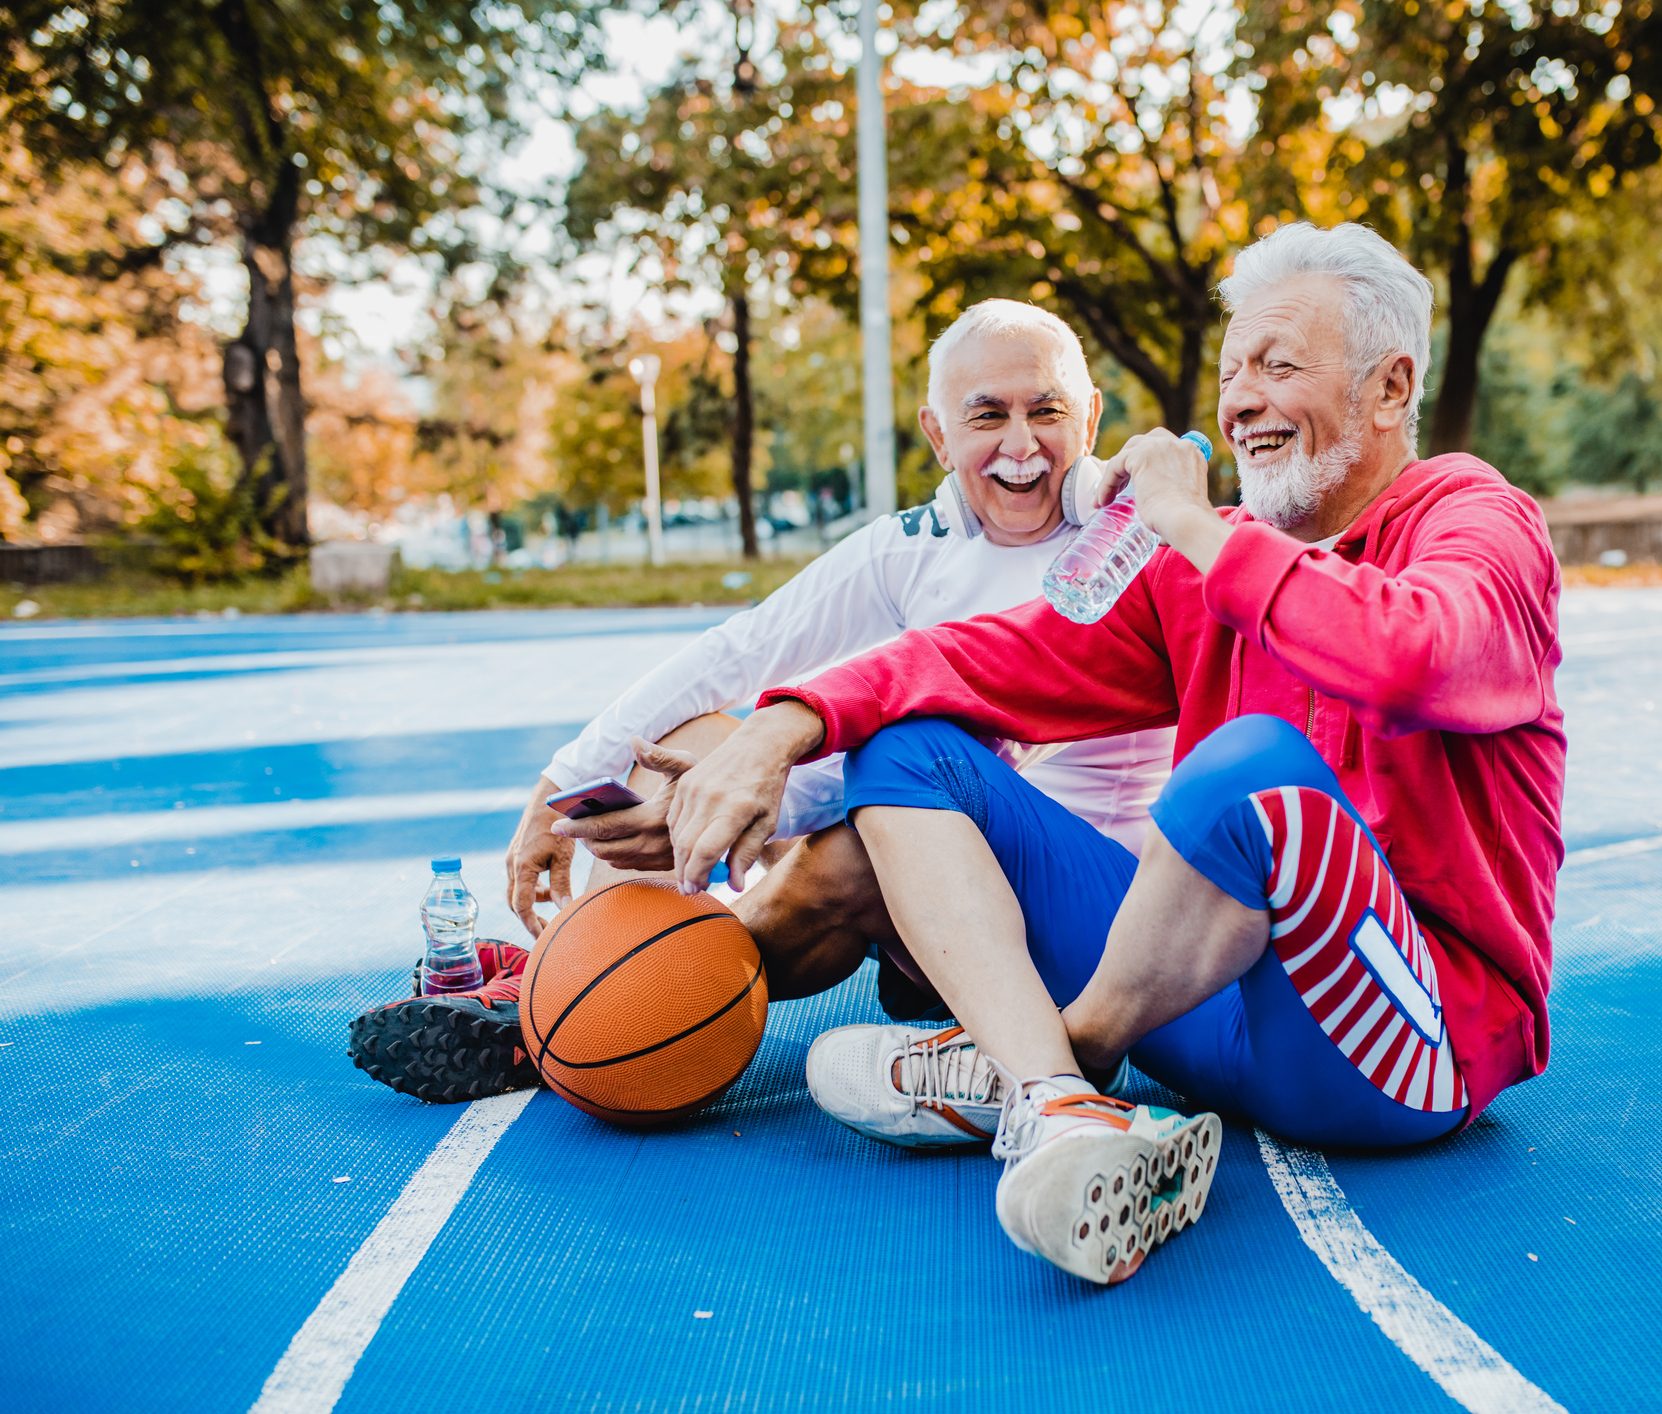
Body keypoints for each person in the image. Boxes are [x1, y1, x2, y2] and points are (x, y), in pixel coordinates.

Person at [649, 222, 1567, 1284]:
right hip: (1201, 1019)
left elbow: (1416, 654)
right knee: (908, 749)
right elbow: (978, 659)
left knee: (1247, 769)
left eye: (1278, 365)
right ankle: (1059, 1102)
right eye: (1232, 372)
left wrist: (1187, 519)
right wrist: (787, 723)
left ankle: (1065, 1049)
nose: (1242, 401)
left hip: (1402, 1047)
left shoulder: (1477, 520)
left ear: (1389, 387)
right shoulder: (1194, 571)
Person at [346, 300, 1178, 1107]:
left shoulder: (1136, 541)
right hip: (934, 864)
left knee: (841, 839)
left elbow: (958, 761)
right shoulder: (913, 547)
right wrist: (560, 785)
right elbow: (737, 651)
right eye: (987, 415)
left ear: (1092, 417)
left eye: (1048, 411)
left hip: (1078, 904)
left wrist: (760, 794)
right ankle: (581, 982)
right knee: (677, 750)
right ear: (937, 433)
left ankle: (584, 1007)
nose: (1022, 445)